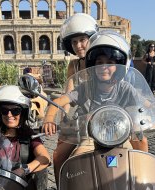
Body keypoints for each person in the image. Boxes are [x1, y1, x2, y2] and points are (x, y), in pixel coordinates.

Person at [43, 31, 155, 175]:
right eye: (99, 63)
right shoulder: (86, 87)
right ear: (92, 65)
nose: (103, 67)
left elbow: (148, 104)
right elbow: (58, 101)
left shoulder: (125, 87)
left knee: (142, 143)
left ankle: (142, 178)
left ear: (119, 66)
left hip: (121, 134)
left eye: (110, 63)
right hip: (88, 136)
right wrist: (49, 119)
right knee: (64, 157)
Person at [50, 13, 99, 186]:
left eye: (82, 40)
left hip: (109, 119)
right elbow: (68, 95)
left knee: (141, 143)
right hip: (82, 120)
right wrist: (61, 115)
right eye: (74, 41)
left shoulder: (105, 60)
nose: (78, 45)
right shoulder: (74, 65)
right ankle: (62, 186)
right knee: (58, 156)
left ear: (92, 38)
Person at [0, 85, 50, 189]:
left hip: (20, 185)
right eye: (4, 110)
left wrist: (24, 170)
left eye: (15, 111)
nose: (9, 115)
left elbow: (45, 158)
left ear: (23, 112)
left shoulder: (28, 134)